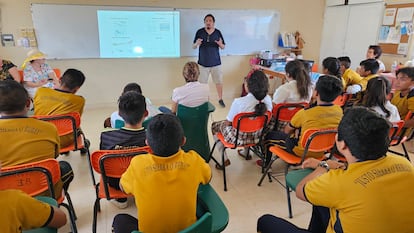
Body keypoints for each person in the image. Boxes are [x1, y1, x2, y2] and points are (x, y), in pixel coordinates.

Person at [257, 107, 414, 233]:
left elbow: (300, 190)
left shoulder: (337, 183)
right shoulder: (404, 164)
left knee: (265, 222)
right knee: (322, 203)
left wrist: (323, 166)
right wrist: (341, 166)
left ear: (342, 144)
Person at [111, 114, 211, 233]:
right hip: (189, 230)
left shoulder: (138, 164)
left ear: (147, 143)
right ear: (183, 141)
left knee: (119, 220)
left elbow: (123, 188)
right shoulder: (194, 160)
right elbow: (208, 177)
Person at [0, 80, 73, 195]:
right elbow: (55, 155)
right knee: (64, 167)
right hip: (44, 192)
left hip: (5, 198)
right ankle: (53, 202)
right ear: (28, 103)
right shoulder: (49, 128)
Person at [263, 75, 343, 167]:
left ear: (316, 93)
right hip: (322, 151)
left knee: (270, 136)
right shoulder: (339, 111)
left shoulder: (305, 113)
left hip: (300, 152)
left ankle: (266, 165)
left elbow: (287, 130)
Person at [211, 70, 273, 167]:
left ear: (248, 85)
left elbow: (228, 122)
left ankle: (225, 159)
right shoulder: (268, 100)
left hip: (238, 139)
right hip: (258, 137)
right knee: (248, 125)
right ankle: (245, 152)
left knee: (215, 126)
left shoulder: (239, 102)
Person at [100, 91, 148, 209]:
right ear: (146, 113)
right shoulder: (152, 138)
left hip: (116, 183)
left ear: (120, 114)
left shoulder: (106, 137)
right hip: (145, 180)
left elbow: (102, 166)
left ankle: (121, 199)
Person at [33, 68, 86, 148]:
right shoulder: (79, 101)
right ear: (77, 88)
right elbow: (76, 120)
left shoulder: (40, 91)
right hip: (64, 141)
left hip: (40, 137)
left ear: (60, 79)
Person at [193, 14, 226, 107]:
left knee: (219, 82)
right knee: (202, 84)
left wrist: (220, 44)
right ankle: (203, 101)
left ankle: (220, 99)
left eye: (210, 21)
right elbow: (193, 46)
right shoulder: (200, 32)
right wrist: (197, 43)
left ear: (213, 22)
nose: (208, 22)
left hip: (216, 63)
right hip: (203, 63)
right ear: (204, 22)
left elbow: (223, 47)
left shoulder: (217, 32)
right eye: (206, 21)